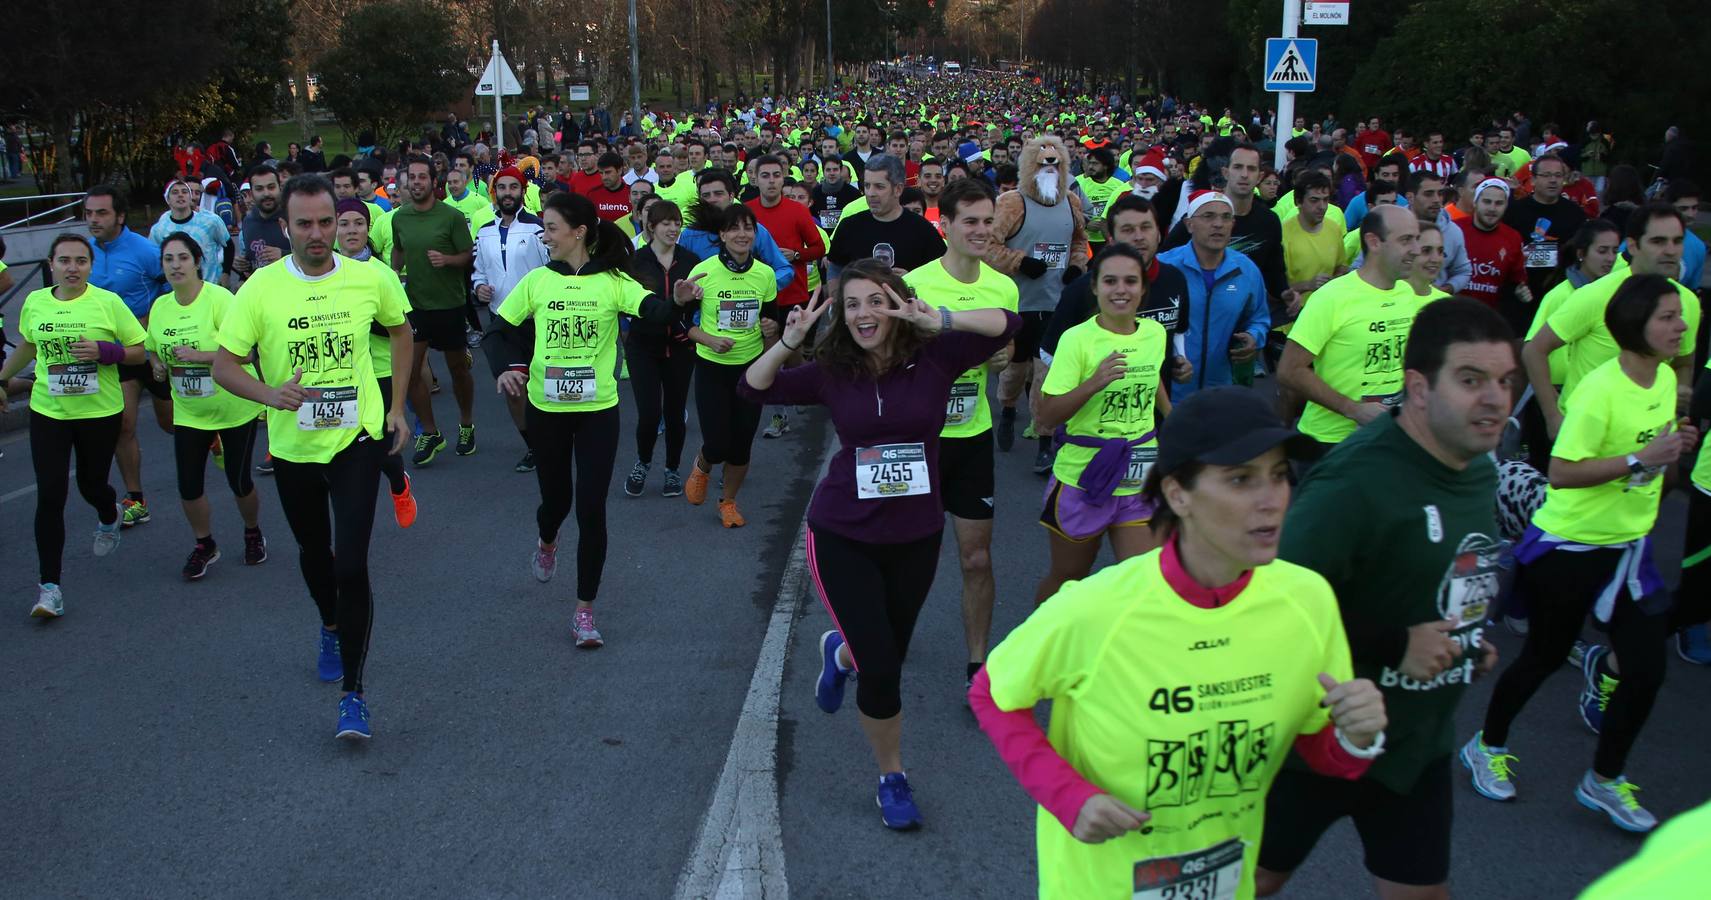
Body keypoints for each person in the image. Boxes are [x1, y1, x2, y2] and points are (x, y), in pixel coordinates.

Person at [970, 385, 1387, 900]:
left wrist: (1357, 737)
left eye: (1279, 476)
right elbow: (992, 692)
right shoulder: (1096, 609)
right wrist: (1068, 796)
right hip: (1099, 886)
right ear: (1177, 493)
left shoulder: (1308, 600)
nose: (1271, 499)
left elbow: (1321, 752)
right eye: (1240, 479)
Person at [739, 259, 1020, 830]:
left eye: (876, 301)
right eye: (853, 305)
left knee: (882, 646)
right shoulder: (832, 371)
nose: (864, 314)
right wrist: (790, 340)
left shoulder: (939, 355)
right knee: (884, 667)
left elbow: (1009, 324)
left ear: (897, 303)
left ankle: (838, 654)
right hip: (843, 532)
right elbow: (751, 389)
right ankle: (892, 776)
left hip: (916, 534)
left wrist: (940, 317)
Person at [1256, 298, 1515, 900]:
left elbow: (1443, 574)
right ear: (1418, 388)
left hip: (1416, 744)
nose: (1496, 399)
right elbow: (1272, 603)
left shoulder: (1478, 468)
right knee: (1251, 882)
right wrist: (1397, 643)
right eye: (1471, 380)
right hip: (1316, 741)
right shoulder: (1355, 483)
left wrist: (1466, 643)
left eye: (1505, 381)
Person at [1463, 275, 1698, 834]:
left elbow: (1652, 455)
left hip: (1628, 551)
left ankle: (1605, 779)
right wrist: (1643, 460)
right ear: (1634, 325)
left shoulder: (1665, 378)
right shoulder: (1600, 389)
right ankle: (1486, 744)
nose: (1681, 326)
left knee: (1645, 670)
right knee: (1543, 656)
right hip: (1569, 545)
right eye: (1667, 317)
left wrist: (1670, 452)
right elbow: (1564, 474)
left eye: (1680, 316)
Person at [213, 174, 413, 740]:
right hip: (294, 447)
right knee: (313, 551)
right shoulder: (260, 289)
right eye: (305, 224)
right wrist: (270, 394)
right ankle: (329, 622)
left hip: (357, 440)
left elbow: (401, 332)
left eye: (326, 222)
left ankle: (354, 693)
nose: (318, 234)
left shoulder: (368, 278)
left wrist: (396, 407)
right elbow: (225, 365)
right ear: (285, 227)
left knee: (351, 563)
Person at [492, 191, 702, 648]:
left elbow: (655, 311)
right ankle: (548, 540)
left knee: (591, 509)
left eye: (550, 228)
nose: (544, 236)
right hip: (547, 410)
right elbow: (501, 331)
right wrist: (512, 367)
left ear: (578, 232)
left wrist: (681, 302)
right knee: (556, 503)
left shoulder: (612, 281)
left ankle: (584, 611)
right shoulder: (537, 282)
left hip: (597, 411)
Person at [901, 178, 1018, 694]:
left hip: (971, 436)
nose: (980, 230)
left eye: (987, 220)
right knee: (906, 555)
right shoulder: (916, 285)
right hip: (916, 439)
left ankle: (978, 664)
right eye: (969, 221)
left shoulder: (1003, 286)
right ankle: (887, 637)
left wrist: (1002, 357)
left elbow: (1007, 351)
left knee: (977, 557)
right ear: (943, 225)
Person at [0, 234, 147, 618]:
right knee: (50, 495)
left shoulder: (107, 302)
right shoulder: (36, 302)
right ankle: (50, 589)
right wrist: (2, 379)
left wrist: (105, 351)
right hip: (50, 409)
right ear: (51, 264)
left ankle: (109, 513)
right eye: (64, 261)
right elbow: (29, 345)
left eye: (81, 261)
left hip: (98, 411)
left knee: (91, 484)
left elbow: (138, 349)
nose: (72, 268)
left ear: (90, 266)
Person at [1031, 242, 1173, 605]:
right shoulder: (1077, 340)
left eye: (1130, 281)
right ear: (1095, 287)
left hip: (1139, 473)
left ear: (1143, 288)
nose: (1121, 290)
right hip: (1083, 476)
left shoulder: (1155, 334)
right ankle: (1040, 644)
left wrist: (1172, 420)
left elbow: (1152, 376)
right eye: (1110, 281)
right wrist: (1095, 381)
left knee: (1145, 582)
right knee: (1068, 579)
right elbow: (1046, 416)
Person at [146, 234, 268, 579]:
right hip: (190, 411)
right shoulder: (161, 307)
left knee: (239, 481)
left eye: (183, 258)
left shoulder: (219, 300)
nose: (175, 266)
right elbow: (154, 346)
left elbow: (245, 353)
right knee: (188, 484)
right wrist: (156, 362)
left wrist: (199, 356)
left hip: (232, 406)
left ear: (197, 262)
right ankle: (205, 544)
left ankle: (252, 531)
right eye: (168, 259)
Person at [1525, 204, 1699, 440]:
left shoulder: (1688, 302)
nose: (1670, 251)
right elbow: (1534, 350)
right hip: (1586, 433)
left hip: (1648, 435)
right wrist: (1552, 416)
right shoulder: (1596, 294)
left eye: (1677, 241)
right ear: (1634, 246)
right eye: (1658, 241)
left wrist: (1678, 398)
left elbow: (1684, 362)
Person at [982, 137, 1089, 472]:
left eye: (1056, 165)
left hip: (1056, 302)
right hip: (1019, 301)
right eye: (1043, 164)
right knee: (1016, 368)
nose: (1049, 170)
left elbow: (1079, 240)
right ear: (1029, 166)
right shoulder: (1011, 202)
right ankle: (1009, 409)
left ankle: (1046, 442)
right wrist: (1019, 262)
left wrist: (1076, 265)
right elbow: (988, 245)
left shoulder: (1071, 201)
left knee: (1048, 373)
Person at [1278, 206, 1422, 450]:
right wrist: (1352, 409)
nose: (1416, 250)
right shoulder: (1332, 297)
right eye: (1406, 240)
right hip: (1331, 444)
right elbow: (1289, 370)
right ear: (1374, 242)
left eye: (1417, 239)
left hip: (1387, 439)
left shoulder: (1407, 293)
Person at [683, 203, 777, 527]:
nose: (741, 234)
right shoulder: (704, 272)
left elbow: (772, 318)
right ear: (722, 234)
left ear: (755, 234)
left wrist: (771, 330)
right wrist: (708, 340)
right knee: (718, 441)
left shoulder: (765, 274)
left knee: (742, 445)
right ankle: (703, 464)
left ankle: (728, 503)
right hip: (712, 367)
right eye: (734, 228)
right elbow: (683, 324)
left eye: (748, 228)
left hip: (749, 368)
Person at [85, 184, 168, 530]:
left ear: (120, 216)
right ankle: (136, 499)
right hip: (113, 355)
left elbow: (168, 292)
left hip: (147, 349)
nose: (93, 220)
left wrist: (149, 322)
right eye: (88, 213)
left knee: (170, 423)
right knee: (124, 425)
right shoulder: (84, 252)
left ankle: (209, 436)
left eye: (101, 213)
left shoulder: (145, 250)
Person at [335, 198, 420, 528]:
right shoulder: (324, 272)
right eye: (344, 223)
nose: (351, 230)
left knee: (381, 445)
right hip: (340, 373)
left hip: (380, 371)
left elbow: (408, 328)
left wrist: (363, 321)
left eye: (358, 223)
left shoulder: (381, 273)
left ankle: (399, 486)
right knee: (346, 445)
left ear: (368, 228)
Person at [391, 156, 478, 465]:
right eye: (411, 178)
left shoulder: (451, 217)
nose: (416, 183)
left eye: (421, 178)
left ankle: (466, 423)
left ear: (433, 182)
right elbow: (398, 250)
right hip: (415, 306)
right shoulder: (399, 217)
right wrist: (392, 277)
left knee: (458, 369)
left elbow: (468, 256)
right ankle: (431, 432)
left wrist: (447, 260)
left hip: (450, 304)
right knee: (411, 373)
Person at [472, 166, 551, 473]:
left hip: (536, 321)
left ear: (522, 191)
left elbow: (554, 267)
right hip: (501, 322)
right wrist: (479, 287)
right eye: (501, 188)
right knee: (514, 389)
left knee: (543, 386)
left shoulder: (537, 228)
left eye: (513, 187)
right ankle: (533, 444)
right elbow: (479, 270)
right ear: (495, 192)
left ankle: (553, 438)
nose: (507, 193)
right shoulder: (484, 232)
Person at [1157, 191, 1270, 398]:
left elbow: (1259, 318)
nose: (1218, 224)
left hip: (1223, 392)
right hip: (1170, 394)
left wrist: (1254, 336)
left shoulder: (1246, 270)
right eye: (1208, 216)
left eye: (1226, 217)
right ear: (1189, 224)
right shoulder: (1164, 266)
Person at [622, 199, 698, 498]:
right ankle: (642, 462)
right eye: (666, 222)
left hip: (680, 348)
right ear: (650, 226)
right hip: (644, 347)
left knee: (676, 412)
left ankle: (672, 469)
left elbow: (701, 305)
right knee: (650, 414)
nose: (673, 228)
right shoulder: (635, 261)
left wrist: (691, 322)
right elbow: (626, 304)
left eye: (677, 222)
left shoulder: (691, 260)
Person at [748, 154, 827, 438]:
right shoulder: (746, 211)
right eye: (765, 175)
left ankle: (814, 387)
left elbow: (818, 249)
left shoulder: (797, 211)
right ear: (754, 178)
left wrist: (796, 255)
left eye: (776, 175)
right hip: (759, 296)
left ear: (783, 178)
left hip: (793, 293)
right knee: (771, 354)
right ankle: (780, 414)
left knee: (791, 355)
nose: (771, 181)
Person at [826, 153, 946, 276]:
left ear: (898, 189)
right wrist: (836, 294)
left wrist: (911, 279)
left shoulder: (923, 230)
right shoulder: (849, 226)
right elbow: (835, 268)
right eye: (867, 186)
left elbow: (941, 275)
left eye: (879, 186)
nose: (871, 193)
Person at [1504, 154, 1588, 302]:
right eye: (1546, 175)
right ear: (1533, 179)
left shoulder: (1575, 214)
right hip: (1519, 291)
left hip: (1561, 292)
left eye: (1558, 175)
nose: (1553, 180)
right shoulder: (1514, 212)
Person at [1455, 178, 1531, 333]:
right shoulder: (1455, 230)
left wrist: (1520, 291)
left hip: (1489, 322)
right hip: (1454, 317)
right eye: (1487, 202)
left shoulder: (1513, 238)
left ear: (1506, 206)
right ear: (1476, 202)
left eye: (1498, 203)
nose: (1492, 208)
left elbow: (1516, 280)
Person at [148, 178, 231, 284]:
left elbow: (229, 246)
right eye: (175, 192)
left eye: (184, 191)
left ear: (190, 197)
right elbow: (155, 261)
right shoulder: (158, 230)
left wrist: (226, 273)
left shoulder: (211, 221)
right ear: (167, 199)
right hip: (178, 290)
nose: (180, 195)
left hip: (211, 285)